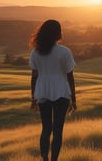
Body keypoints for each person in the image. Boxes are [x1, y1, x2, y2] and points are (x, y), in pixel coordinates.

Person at [29, 19, 77, 161]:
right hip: (62, 92)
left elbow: (34, 77)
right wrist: (73, 99)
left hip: (42, 92)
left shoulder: (35, 53)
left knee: (46, 129)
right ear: (58, 33)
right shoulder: (64, 52)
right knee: (58, 130)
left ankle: (44, 159)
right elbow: (70, 76)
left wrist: (33, 98)